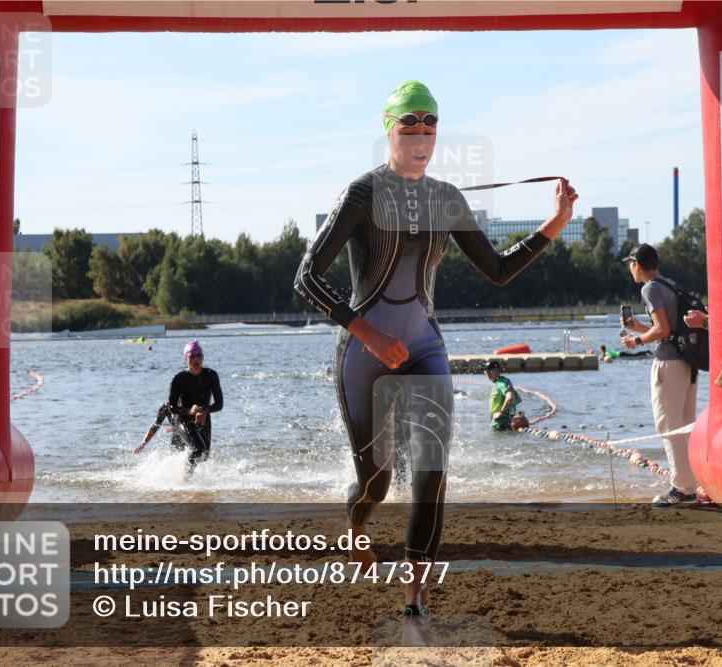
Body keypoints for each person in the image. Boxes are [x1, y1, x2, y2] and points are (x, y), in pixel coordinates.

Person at [294, 80, 577, 616]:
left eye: (430, 125)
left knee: (431, 469)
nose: (421, 134)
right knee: (375, 482)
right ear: (389, 131)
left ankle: (415, 593)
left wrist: (555, 224)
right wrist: (369, 332)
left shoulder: (446, 198)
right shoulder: (362, 194)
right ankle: (356, 522)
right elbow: (306, 277)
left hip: (425, 344)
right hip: (363, 352)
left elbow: (496, 270)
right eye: (410, 124)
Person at [620, 244, 698, 508]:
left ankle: (680, 488)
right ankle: (691, 484)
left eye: (630, 264)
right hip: (688, 363)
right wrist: (639, 329)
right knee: (685, 425)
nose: (630, 269)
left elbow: (662, 330)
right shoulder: (670, 284)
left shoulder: (650, 288)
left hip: (669, 363)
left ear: (637, 265)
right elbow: (667, 328)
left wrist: (637, 340)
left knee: (668, 426)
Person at [135, 340, 223, 472]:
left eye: (199, 355)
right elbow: (161, 419)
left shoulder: (211, 375)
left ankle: (194, 484)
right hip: (183, 419)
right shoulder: (178, 380)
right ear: (186, 358)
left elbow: (219, 404)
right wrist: (144, 443)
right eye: (192, 356)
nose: (196, 359)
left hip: (202, 417)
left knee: (204, 456)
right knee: (196, 450)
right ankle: (184, 480)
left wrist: (204, 410)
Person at [483, 361, 521, 430]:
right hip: (503, 424)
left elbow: (509, 397)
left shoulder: (501, 383)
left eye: (491, 370)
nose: (488, 374)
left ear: (498, 370)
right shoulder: (501, 382)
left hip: (502, 425)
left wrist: (501, 413)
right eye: (486, 371)